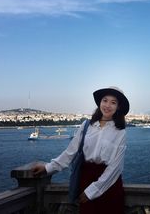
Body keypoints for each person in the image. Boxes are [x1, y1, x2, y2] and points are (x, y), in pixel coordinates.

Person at [31, 86, 129, 214]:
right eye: (105, 100)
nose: (107, 105)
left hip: (109, 186)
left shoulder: (120, 132)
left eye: (113, 102)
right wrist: (48, 168)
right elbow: (70, 152)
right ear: (100, 102)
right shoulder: (87, 125)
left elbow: (115, 168)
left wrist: (92, 191)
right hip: (86, 179)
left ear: (118, 107)